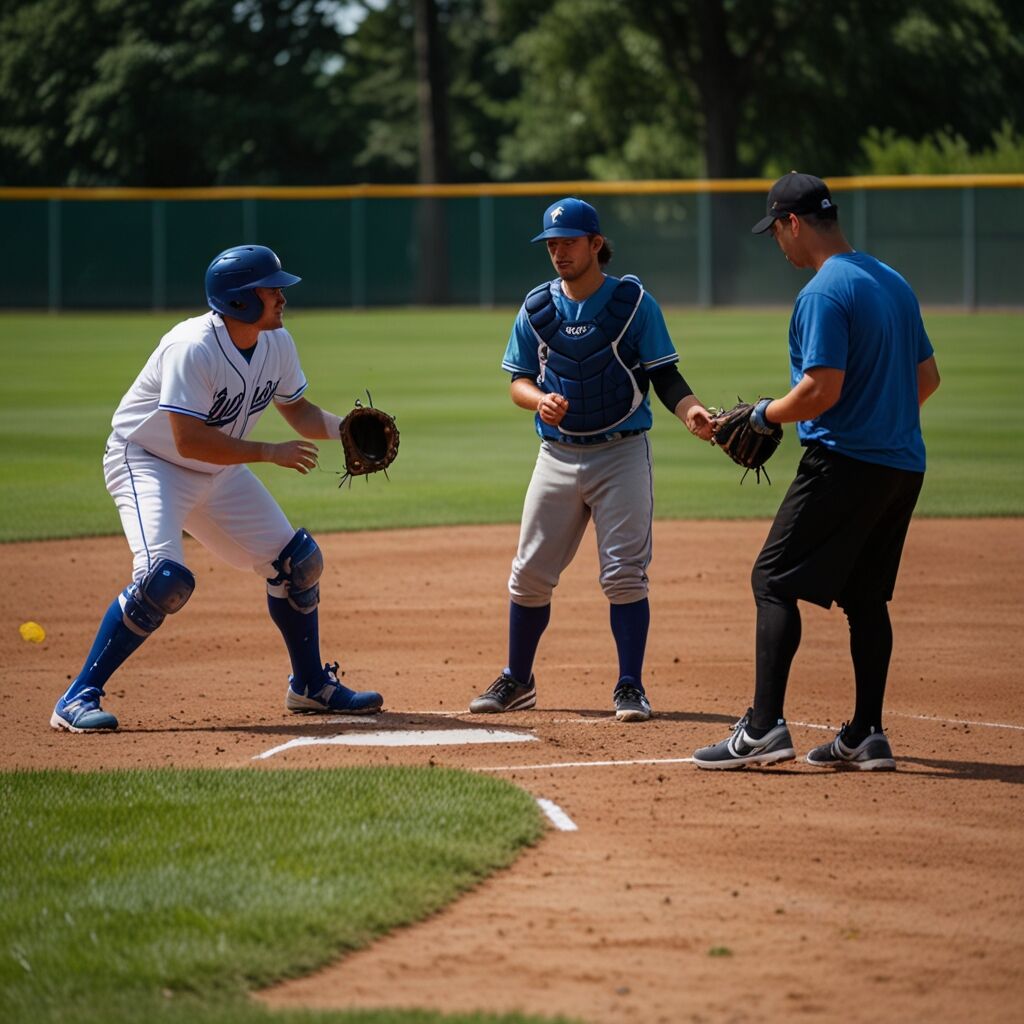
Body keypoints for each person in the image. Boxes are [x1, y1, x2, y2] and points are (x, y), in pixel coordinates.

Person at [50, 244, 384, 732]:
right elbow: (187, 440)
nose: (282, 297)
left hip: (217, 470)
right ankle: (77, 696)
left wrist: (345, 430)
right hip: (150, 463)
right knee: (162, 581)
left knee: (297, 563)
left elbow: (297, 410)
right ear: (240, 300)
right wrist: (268, 452)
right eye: (271, 290)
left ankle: (310, 686)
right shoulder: (192, 347)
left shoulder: (276, 342)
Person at [693, 172, 941, 770]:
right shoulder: (892, 281)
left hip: (843, 464)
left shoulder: (824, 292)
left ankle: (762, 729)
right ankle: (866, 734)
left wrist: (762, 414)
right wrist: (879, 420)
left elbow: (820, 390)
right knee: (865, 596)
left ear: (792, 223)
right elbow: (927, 380)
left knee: (773, 580)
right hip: (901, 465)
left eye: (776, 230)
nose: (778, 243)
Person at [469, 197, 713, 723]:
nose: (559, 252)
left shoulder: (634, 303)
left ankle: (630, 686)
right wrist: (539, 400)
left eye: (569, 242)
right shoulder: (536, 307)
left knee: (624, 575)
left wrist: (691, 411)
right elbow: (518, 381)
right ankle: (518, 679)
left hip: (621, 454)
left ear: (596, 244)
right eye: (552, 245)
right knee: (528, 575)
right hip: (556, 455)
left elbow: (665, 375)